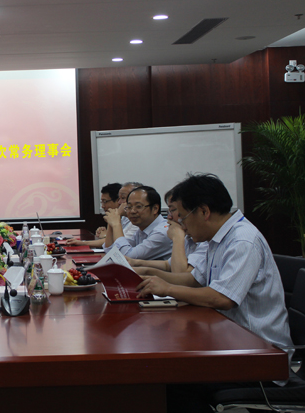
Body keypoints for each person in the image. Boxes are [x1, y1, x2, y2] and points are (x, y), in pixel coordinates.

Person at [137, 174, 292, 412]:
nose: (180, 224)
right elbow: (193, 280)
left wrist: (167, 288)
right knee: (166, 372)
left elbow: (223, 298)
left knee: (170, 378)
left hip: (259, 357)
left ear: (204, 211)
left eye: (182, 216)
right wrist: (150, 276)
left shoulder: (242, 240)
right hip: (229, 342)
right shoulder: (216, 239)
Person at [129, 188, 208, 274]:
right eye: (129, 206)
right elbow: (168, 265)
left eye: (173, 210)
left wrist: (177, 238)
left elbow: (180, 275)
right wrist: (136, 263)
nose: (169, 217)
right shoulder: (189, 237)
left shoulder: (205, 241)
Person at [103, 185, 172, 260]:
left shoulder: (162, 232)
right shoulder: (142, 230)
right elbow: (110, 251)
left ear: (155, 209)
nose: (132, 211)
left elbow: (126, 257)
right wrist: (111, 222)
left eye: (138, 206)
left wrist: (116, 224)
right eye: (129, 207)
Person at [66, 183, 121, 247]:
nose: (102, 206)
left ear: (118, 201)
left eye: (105, 201)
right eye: (102, 202)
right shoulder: (115, 217)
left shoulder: (127, 220)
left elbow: (117, 243)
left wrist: (105, 236)